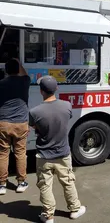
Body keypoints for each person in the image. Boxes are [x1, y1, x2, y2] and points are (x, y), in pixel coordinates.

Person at [29, 75, 86, 223]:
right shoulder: (67, 105)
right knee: (68, 181)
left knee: (45, 185)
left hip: (43, 155)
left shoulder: (35, 112)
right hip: (63, 153)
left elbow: (35, 127)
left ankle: (48, 216)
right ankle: (74, 209)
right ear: (57, 89)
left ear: (41, 91)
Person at [0, 58, 30, 195]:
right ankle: (21, 182)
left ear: (5, 70)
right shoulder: (24, 82)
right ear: (17, 69)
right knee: (20, 153)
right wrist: (19, 62)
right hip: (21, 123)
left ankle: (2, 185)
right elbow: (25, 74)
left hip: (3, 123)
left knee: (3, 154)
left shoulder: (1, 84)